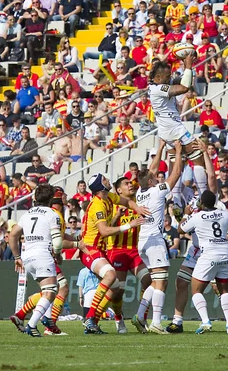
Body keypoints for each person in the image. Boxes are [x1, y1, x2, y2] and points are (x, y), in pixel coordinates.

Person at [79, 173, 149, 334]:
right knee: (110, 276)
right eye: (104, 179)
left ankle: (103, 321)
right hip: (90, 249)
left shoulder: (109, 197)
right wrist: (129, 225)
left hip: (101, 251)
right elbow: (103, 231)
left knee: (116, 289)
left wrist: (137, 208)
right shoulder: (97, 205)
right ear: (100, 186)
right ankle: (90, 318)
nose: (108, 179)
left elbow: (128, 201)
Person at [165, 139, 220, 333]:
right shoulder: (187, 197)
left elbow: (211, 177)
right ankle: (177, 321)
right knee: (181, 282)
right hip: (195, 248)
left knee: (216, 287)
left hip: (210, 247)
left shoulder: (208, 195)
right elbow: (175, 179)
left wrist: (205, 153)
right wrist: (174, 154)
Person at [131, 140, 184, 335]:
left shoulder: (140, 193)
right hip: (154, 240)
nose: (156, 177)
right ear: (152, 182)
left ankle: (139, 313)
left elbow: (149, 172)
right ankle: (156, 322)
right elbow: (176, 174)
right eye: (155, 177)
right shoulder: (157, 191)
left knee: (157, 281)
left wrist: (161, 148)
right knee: (161, 282)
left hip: (142, 242)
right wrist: (177, 151)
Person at [148, 53, 211, 209]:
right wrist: (188, 66)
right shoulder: (157, 89)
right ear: (157, 79)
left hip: (167, 132)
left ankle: (176, 202)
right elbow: (184, 88)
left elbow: (180, 81)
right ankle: (204, 199)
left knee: (177, 166)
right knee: (197, 158)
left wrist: (182, 62)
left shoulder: (156, 85)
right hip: (175, 130)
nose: (169, 79)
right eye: (167, 77)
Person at [178, 189, 228, 334]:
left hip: (208, 255)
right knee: (224, 290)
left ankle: (205, 321)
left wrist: (186, 213)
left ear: (201, 203)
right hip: (225, 254)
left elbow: (181, 230)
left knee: (196, 290)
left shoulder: (198, 216)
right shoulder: (225, 214)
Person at [7, 184, 63, 337]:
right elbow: (57, 242)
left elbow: (12, 235)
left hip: (27, 256)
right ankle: (32, 325)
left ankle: (32, 317)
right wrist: (57, 254)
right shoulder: (52, 214)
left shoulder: (26, 214)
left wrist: (17, 257)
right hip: (43, 255)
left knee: (46, 291)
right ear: (50, 198)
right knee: (51, 292)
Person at [107, 176, 151, 334]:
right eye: (126, 184)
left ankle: (141, 316)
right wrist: (117, 216)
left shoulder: (138, 204)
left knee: (149, 280)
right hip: (118, 250)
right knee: (118, 290)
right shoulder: (112, 205)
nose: (130, 185)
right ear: (119, 190)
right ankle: (118, 318)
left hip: (135, 250)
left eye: (130, 182)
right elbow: (107, 229)